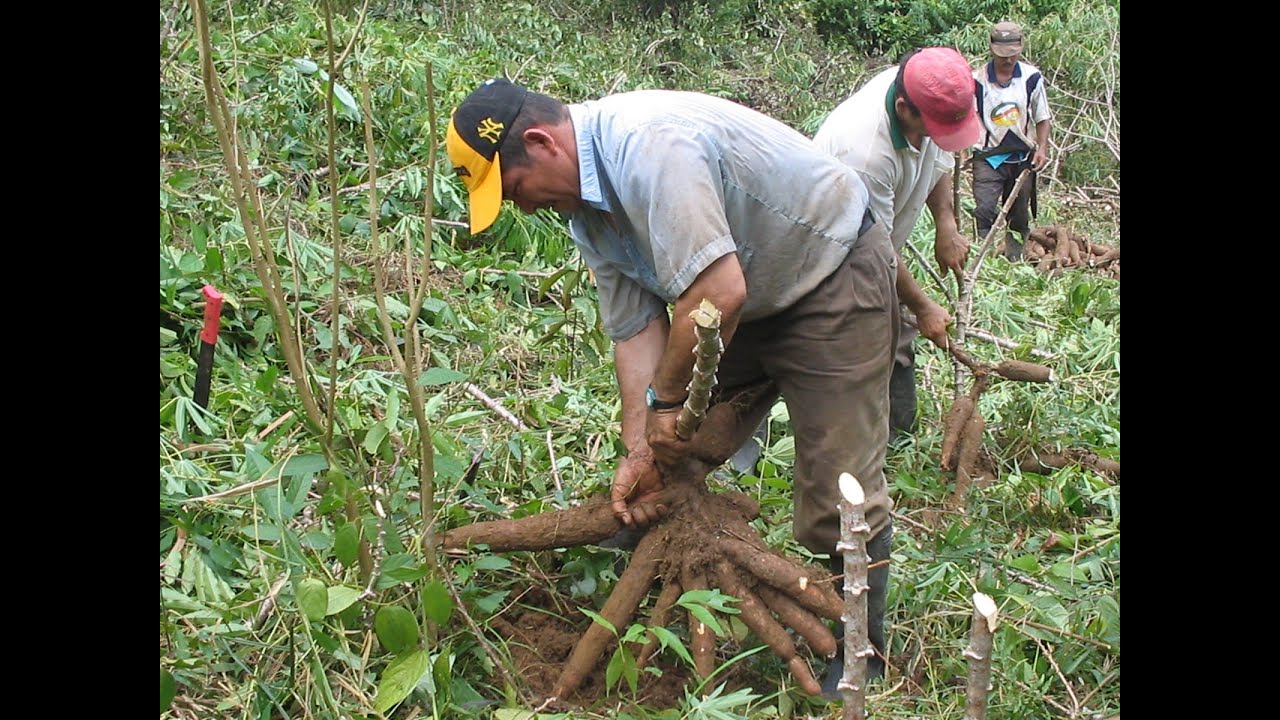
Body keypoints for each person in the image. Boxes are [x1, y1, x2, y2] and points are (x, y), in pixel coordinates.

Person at [446, 78, 899, 694]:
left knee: (835, 492)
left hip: (831, 277)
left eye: (515, 189)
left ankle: (860, 646)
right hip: (740, 302)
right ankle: (658, 555)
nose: (522, 208)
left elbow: (717, 292)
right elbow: (636, 332)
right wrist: (642, 445)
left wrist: (666, 401)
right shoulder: (588, 213)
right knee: (681, 450)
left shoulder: (650, 147)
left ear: (540, 142)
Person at [814, 47, 981, 439]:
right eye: (931, 129)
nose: (937, 137)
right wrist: (923, 306)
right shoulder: (862, 152)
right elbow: (877, 246)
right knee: (846, 349)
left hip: (877, 249)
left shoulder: (929, 94)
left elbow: (941, 152)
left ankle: (900, 440)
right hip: (830, 257)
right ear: (904, 109)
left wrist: (946, 222)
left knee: (896, 335)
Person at [972, 20, 1053, 260]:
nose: (1007, 60)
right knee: (984, 209)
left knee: (1018, 214)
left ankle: (1014, 261)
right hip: (988, 155)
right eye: (1002, 55)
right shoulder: (977, 80)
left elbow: (1042, 116)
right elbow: (968, 115)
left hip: (1021, 155)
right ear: (991, 48)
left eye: (1012, 55)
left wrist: (1042, 148)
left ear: (1021, 47)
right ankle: (982, 259)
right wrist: (964, 150)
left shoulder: (1031, 78)